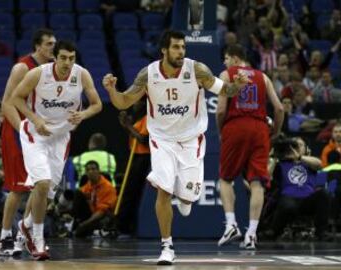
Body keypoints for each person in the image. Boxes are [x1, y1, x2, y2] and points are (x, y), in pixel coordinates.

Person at [103, 30, 250, 265]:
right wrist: (111, 90)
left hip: (191, 139)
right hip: (161, 139)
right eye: (176, 47)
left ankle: (186, 196)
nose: (181, 52)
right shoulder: (149, 74)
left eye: (183, 47)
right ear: (164, 50)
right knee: (163, 189)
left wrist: (237, 86)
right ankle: (167, 246)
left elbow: (225, 90)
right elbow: (123, 102)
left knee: (188, 201)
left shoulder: (197, 70)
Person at [11, 40, 102, 260]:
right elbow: (15, 98)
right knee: (41, 183)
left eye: (71, 58)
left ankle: (25, 225)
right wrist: (34, 118)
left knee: (47, 192)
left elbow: (97, 104)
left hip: (61, 137)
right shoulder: (38, 74)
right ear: (55, 57)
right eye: (63, 58)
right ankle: (38, 239)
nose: (67, 62)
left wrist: (83, 114)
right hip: (35, 135)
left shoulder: (81, 75)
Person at [216, 44, 284, 249]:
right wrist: (276, 132)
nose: (225, 62)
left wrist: (221, 131)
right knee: (257, 183)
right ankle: (252, 234)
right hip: (260, 128)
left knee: (226, 179)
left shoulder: (227, 74)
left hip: (236, 126)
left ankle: (231, 225)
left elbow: (220, 110)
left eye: (227, 58)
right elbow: (279, 108)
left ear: (235, 59)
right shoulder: (263, 77)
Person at [0, 28, 56, 257]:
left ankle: (24, 235)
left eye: (54, 43)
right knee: (17, 187)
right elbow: (6, 104)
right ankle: (4, 238)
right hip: (16, 130)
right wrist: (22, 130)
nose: (53, 47)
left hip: (38, 133)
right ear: (38, 46)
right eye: (49, 44)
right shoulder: (23, 67)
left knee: (41, 184)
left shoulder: (51, 71)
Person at [116, 98, 150, 237]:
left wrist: (128, 126)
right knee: (128, 192)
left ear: (143, 104)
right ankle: (122, 224)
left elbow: (145, 140)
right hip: (135, 156)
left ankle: (125, 227)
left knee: (133, 192)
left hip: (144, 157)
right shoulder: (139, 118)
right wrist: (127, 125)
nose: (134, 105)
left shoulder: (149, 118)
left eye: (137, 102)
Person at [72, 160, 117, 237]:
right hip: (90, 216)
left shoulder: (108, 187)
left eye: (93, 169)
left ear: (99, 171)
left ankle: (85, 229)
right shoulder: (86, 187)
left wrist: (84, 224)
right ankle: (76, 225)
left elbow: (102, 211)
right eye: (88, 170)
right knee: (77, 194)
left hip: (102, 217)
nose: (90, 172)